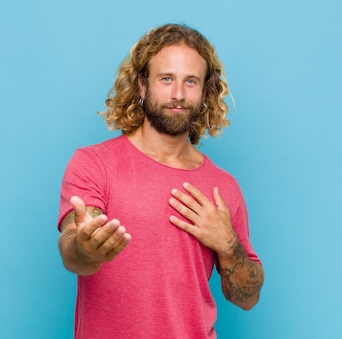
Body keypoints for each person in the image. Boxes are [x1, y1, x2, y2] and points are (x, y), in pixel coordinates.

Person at [57, 23, 264, 338]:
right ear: (142, 85)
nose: (178, 94)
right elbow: (75, 255)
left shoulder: (224, 188)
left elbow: (247, 298)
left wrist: (227, 244)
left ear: (206, 91)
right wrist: (87, 247)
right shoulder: (94, 164)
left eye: (190, 81)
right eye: (166, 79)